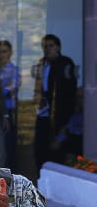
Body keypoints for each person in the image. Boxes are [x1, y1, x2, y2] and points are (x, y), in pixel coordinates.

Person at [31, 33, 79, 167]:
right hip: (43, 115)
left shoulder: (65, 63)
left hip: (60, 114)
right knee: (40, 152)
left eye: (51, 46)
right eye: (45, 46)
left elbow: (70, 92)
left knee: (58, 153)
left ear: (58, 47)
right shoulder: (42, 63)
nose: (48, 49)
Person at [0, 40, 20, 168]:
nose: (1, 55)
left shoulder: (14, 71)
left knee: (8, 149)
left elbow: (8, 90)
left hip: (8, 114)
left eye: (4, 51)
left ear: (10, 52)